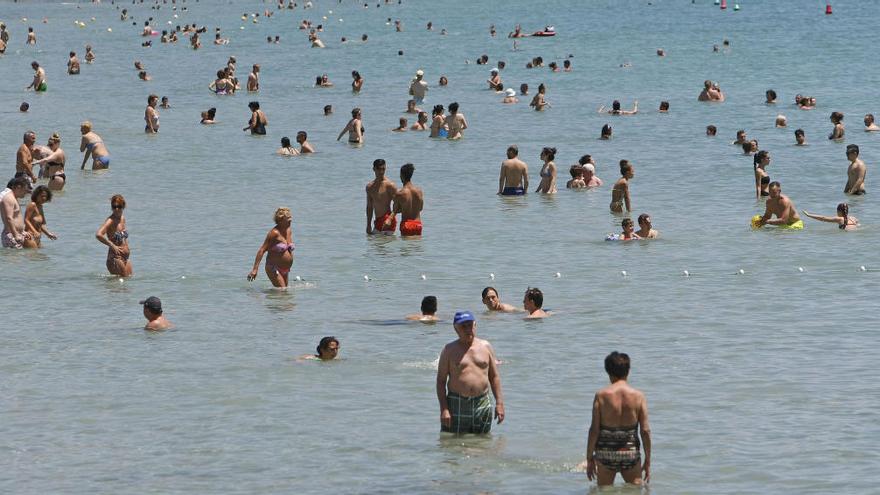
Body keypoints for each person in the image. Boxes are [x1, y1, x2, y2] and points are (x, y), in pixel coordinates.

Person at [581, 352, 652, 487]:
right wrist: (648, 460)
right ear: (628, 371)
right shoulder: (638, 396)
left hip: (605, 453)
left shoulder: (601, 396)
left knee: (604, 491)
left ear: (608, 371)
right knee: (636, 490)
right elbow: (645, 431)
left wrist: (589, 458)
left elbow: (594, 430)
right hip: (630, 454)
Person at [436, 311, 504, 434]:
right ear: (456, 329)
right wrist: (444, 409)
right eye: (463, 326)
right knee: (453, 444)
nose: (468, 329)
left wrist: (499, 403)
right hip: (457, 404)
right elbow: (441, 381)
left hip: (482, 402)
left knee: (483, 443)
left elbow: (494, 377)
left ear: (475, 325)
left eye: (470, 325)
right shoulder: (448, 350)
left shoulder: (486, 346)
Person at [248, 207, 295, 288]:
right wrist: (255, 270)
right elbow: (262, 250)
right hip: (273, 268)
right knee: (282, 292)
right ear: (280, 220)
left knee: (285, 295)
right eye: (288, 219)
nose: (290, 220)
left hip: (285, 269)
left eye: (290, 218)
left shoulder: (288, 231)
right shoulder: (274, 233)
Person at [96, 194, 133, 277]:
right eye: (114, 206)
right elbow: (98, 235)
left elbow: (122, 238)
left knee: (128, 284)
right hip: (115, 258)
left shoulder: (122, 218)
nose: (116, 209)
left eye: (119, 206)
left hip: (125, 257)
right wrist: (112, 245)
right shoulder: (110, 221)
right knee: (118, 287)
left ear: (123, 206)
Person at [386, 163, 423, 236]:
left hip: (406, 225)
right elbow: (420, 208)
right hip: (418, 224)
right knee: (416, 246)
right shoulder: (419, 191)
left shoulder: (399, 194)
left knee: (406, 247)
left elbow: (395, 210)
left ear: (401, 175)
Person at [366, 159, 398, 235]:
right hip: (377, 221)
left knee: (385, 245)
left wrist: (390, 219)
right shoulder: (370, 187)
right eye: (379, 169)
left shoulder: (390, 185)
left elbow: (398, 204)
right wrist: (368, 225)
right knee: (375, 245)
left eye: (383, 169)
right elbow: (369, 207)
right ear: (374, 169)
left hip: (388, 221)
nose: (381, 172)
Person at [1, 178, 32, 249]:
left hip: (16, 233)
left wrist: (22, 231)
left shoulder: (14, 198)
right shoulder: (9, 198)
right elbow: (9, 218)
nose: (26, 193)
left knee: (19, 258)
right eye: (25, 190)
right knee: (14, 259)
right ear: (19, 187)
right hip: (11, 235)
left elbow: (16, 217)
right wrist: (15, 235)